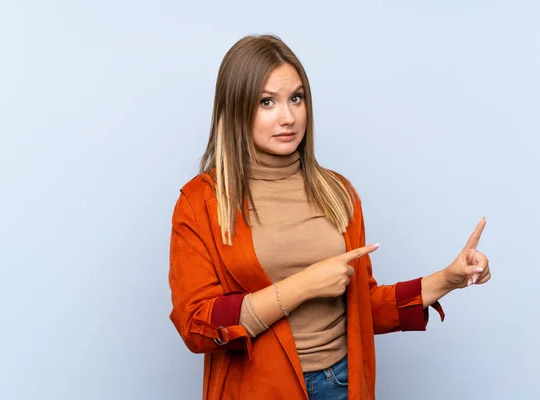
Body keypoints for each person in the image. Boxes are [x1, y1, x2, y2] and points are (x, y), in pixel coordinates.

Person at [168, 34, 491, 400]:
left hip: (342, 384)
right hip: (257, 388)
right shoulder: (202, 202)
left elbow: (362, 306)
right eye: (267, 102)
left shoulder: (337, 191)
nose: (288, 117)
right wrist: (303, 286)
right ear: (237, 109)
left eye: (296, 98)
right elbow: (197, 325)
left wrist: (447, 279)